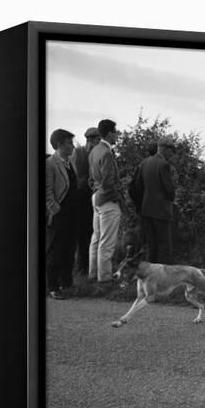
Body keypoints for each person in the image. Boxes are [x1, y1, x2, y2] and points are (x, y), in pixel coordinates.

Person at [45, 129, 79, 299]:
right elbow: (47, 191)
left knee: (68, 249)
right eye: (69, 143)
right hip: (59, 214)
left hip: (71, 213)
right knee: (55, 250)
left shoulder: (68, 162)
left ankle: (66, 283)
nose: (72, 146)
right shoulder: (50, 163)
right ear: (59, 145)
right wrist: (54, 209)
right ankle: (52, 286)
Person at [88, 119, 122, 284]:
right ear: (109, 133)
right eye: (116, 132)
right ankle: (105, 278)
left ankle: (93, 274)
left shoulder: (94, 150)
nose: (117, 135)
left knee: (97, 238)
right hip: (107, 198)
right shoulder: (107, 153)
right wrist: (116, 197)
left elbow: (93, 177)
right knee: (107, 241)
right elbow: (109, 182)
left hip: (96, 196)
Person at [137, 137, 177, 264]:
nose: (172, 154)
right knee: (165, 246)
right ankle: (165, 279)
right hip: (161, 211)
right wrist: (172, 197)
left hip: (146, 210)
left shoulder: (144, 163)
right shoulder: (164, 165)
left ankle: (150, 276)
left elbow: (138, 187)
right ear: (165, 149)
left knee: (151, 246)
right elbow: (170, 190)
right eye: (171, 151)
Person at [72, 127, 100, 275]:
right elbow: (75, 176)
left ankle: (89, 266)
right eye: (95, 140)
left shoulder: (92, 153)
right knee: (84, 232)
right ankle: (82, 266)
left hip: (91, 195)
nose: (96, 142)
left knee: (92, 232)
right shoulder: (79, 152)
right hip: (82, 196)